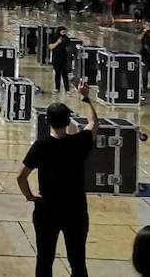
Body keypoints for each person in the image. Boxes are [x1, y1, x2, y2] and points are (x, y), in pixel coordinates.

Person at [18, 82, 98, 277]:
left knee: (44, 259)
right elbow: (94, 122)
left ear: (47, 121)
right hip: (76, 209)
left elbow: (21, 176)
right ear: (68, 121)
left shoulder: (41, 145)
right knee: (78, 260)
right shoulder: (79, 142)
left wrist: (30, 196)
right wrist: (85, 97)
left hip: (48, 209)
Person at [48, 26, 72, 94]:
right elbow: (50, 47)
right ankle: (57, 88)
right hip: (56, 58)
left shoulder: (67, 39)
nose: (64, 33)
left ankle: (67, 89)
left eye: (65, 31)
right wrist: (58, 42)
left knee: (65, 74)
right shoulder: (53, 38)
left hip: (64, 59)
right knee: (57, 74)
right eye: (62, 31)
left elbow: (69, 48)